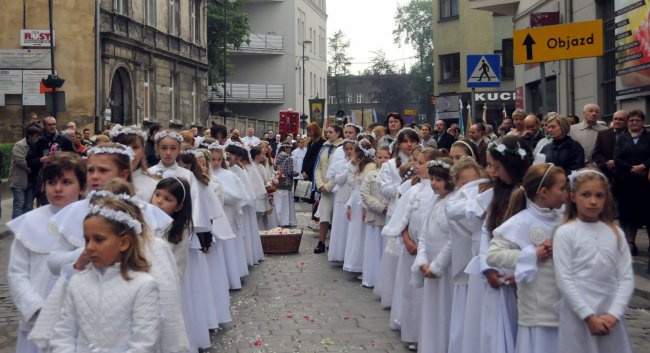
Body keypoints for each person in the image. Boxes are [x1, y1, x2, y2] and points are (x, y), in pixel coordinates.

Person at [49, 197, 161, 352]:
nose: (89, 247)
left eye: (99, 240)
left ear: (124, 243)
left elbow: (144, 343)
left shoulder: (143, 285)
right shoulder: (78, 281)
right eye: (87, 240)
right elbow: (63, 334)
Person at [8, 153, 86, 353]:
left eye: (67, 182)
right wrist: (35, 307)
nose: (58, 188)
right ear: (43, 186)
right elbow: (17, 272)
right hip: (38, 317)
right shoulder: (29, 222)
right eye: (51, 182)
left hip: (79, 319)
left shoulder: (92, 222)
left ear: (82, 187)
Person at [487, 163, 567, 353]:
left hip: (564, 308)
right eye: (562, 188)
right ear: (544, 192)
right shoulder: (520, 221)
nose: (567, 192)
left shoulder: (565, 220)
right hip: (536, 309)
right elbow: (493, 255)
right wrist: (531, 254)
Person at [553, 169, 634, 353]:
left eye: (599, 195)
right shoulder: (566, 233)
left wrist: (613, 314)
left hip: (609, 311)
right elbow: (564, 278)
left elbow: (626, 277)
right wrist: (588, 316)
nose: (593, 201)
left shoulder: (615, 233)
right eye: (586, 195)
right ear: (573, 197)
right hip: (578, 314)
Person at [475, 136, 533, 353]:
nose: (492, 172)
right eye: (490, 166)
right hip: (498, 272)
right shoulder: (497, 193)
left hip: (522, 274)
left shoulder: (530, 194)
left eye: (497, 166)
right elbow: (486, 232)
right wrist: (487, 267)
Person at [382, 148, 441, 350]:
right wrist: (407, 240)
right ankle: (412, 332)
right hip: (411, 249)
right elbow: (403, 218)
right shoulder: (412, 189)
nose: (416, 165)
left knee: (426, 295)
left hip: (429, 250)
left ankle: (427, 335)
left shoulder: (438, 191)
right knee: (411, 292)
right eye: (416, 162)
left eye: (421, 162)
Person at [412, 157, 456, 353]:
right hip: (430, 263)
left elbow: (453, 240)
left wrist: (437, 266)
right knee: (431, 311)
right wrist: (422, 260)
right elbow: (425, 233)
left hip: (446, 268)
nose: (433, 184)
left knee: (444, 311)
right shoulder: (436, 201)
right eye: (431, 179)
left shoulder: (453, 203)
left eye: (438, 180)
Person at [444, 157, 487, 353]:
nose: (471, 187)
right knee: (463, 314)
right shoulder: (454, 202)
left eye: (475, 182)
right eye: (465, 183)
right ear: (457, 183)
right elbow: (468, 225)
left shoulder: (484, 198)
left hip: (479, 263)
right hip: (464, 263)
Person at [613, 109, 650, 256]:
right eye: (631, 120)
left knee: (648, 215)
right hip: (627, 182)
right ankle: (631, 243)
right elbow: (617, 158)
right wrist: (630, 168)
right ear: (628, 122)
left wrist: (643, 166)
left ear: (642, 122)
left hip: (646, 183)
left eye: (637, 120)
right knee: (629, 215)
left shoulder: (649, 137)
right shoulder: (622, 138)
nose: (634, 123)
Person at [343, 138, 377, 275]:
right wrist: (350, 206)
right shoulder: (359, 167)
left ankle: (362, 266)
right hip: (356, 201)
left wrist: (365, 208)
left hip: (363, 202)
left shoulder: (370, 168)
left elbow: (367, 189)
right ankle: (355, 263)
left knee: (361, 234)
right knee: (355, 233)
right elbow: (353, 185)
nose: (351, 155)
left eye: (354, 152)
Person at [27, 116, 75, 205]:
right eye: (49, 125)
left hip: (63, 178)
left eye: (54, 124)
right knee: (47, 208)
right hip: (46, 180)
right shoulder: (39, 142)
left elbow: (75, 157)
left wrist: (63, 159)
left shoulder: (64, 140)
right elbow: (29, 161)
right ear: (44, 126)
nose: (52, 126)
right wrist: (41, 160)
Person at [360, 145, 390, 288]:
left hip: (386, 219)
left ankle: (384, 282)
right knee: (373, 250)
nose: (382, 160)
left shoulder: (393, 176)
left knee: (384, 250)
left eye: (386, 157)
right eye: (380, 157)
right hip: (373, 217)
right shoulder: (370, 175)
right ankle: (371, 278)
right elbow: (365, 194)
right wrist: (381, 207)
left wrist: (387, 207)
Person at [313, 124, 344, 253]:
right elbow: (318, 167)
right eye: (326, 132)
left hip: (337, 188)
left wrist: (329, 186)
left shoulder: (342, 148)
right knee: (324, 217)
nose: (327, 134)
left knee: (336, 217)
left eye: (330, 132)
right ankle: (321, 242)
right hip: (324, 188)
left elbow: (340, 170)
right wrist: (320, 184)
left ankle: (334, 243)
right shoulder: (324, 147)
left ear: (338, 133)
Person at [111, 125, 158, 202]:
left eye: (135, 147)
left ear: (143, 150)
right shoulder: (103, 180)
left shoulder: (153, 186)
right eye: (124, 146)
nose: (130, 152)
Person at [327, 139, 355, 262]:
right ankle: (340, 253)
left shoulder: (359, 163)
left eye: (351, 149)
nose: (349, 151)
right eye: (347, 149)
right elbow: (338, 180)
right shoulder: (340, 164)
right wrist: (349, 167)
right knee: (341, 226)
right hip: (342, 197)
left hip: (353, 198)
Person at [9, 126, 41, 219]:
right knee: (19, 205)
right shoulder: (19, 145)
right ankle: (16, 228)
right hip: (19, 181)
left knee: (28, 206)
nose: (38, 139)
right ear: (30, 136)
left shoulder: (36, 146)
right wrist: (35, 167)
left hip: (31, 181)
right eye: (36, 136)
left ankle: (25, 228)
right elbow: (21, 161)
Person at [593, 110, 628, 181]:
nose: (617, 121)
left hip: (626, 175)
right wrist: (607, 162)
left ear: (626, 121)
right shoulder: (602, 134)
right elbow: (596, 154)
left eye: (621, 119)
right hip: (607, 174)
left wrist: (617, 163)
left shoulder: (631, 135)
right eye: (615, 119)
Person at [275, 143, 298, 227]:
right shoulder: (288, 158)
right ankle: (286, 221)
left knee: (279, 203)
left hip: (279, 182)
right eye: (289, 148)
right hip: (287, 182)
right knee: (286, 204)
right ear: (285, 148)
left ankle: (278, 220)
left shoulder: (278, 157)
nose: (290, 150)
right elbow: (290, 172)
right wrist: (297, 173)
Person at [291, 136, 307, 201]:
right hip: (297, 168)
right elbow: (293, 162)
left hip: (303, 168)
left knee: (303, 183)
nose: (302, 144)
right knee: (296, 183)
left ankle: (303, 197)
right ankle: (296, 197)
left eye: (303, 142)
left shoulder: (306, 150)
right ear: (298, 143)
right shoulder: (295, 151)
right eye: (301, 143)